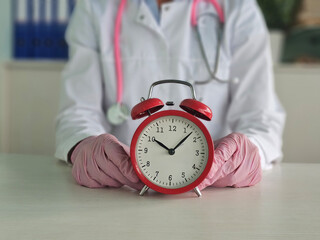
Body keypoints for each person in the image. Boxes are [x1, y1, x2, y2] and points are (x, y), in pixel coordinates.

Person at [55, 0, 285, 190]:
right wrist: (84, 145)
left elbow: (261, 118)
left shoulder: (237, 8)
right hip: (121, 191)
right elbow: (78, 110)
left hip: (214, 194)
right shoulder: (95, 7)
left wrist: (249, 151)